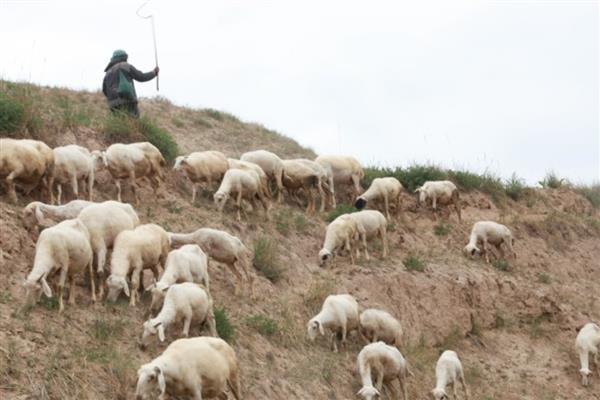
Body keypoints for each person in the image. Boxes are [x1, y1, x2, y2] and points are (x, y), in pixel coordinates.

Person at [102, 49, 159, 118]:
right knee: (133, 122)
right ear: (124, 57)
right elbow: (141, 77)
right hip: (127, 101)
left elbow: (104, 90)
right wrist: (154, 73)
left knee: (119, 124)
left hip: (113, 104)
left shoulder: (107, 73)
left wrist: (113, 97)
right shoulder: (125, 66)